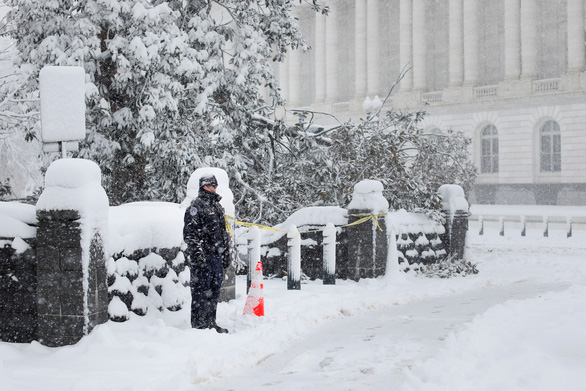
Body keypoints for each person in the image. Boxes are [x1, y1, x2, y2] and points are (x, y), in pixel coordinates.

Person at [183, 175, 231, 333]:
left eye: (215, 186)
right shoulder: (196, 206)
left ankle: (211, 323)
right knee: (201, 292)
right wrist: (198, 256)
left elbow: (223, 233)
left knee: (214, 291)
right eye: (210, 186)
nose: (213, 188)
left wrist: (225, 253)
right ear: (203, 186)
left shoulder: (217, 206)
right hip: (203, 257)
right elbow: (190, 234)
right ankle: (199, 326)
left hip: (216, 256)